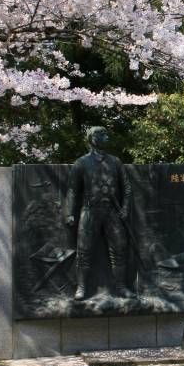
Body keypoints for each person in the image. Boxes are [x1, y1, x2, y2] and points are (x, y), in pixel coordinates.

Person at [66, 126, 133, 299]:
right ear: (92, 138)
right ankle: (81, 287)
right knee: (84, 250)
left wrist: (125, 208)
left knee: (119, 249)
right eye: (101, 134)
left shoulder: (115, 162)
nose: (106, 136)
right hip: (90, 211)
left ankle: (121, 287)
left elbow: (126, 187)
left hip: (112, 211)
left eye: (106, 133)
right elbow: (73, 190)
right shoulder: (81, 163)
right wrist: (70, 213)